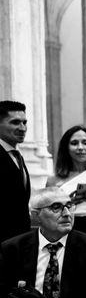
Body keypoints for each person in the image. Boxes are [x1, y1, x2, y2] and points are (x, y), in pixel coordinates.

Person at [0, 101, 31, 243]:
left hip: (19, 240)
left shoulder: (17, 155)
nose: (22, 128)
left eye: (24, 122)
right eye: (15, 122)